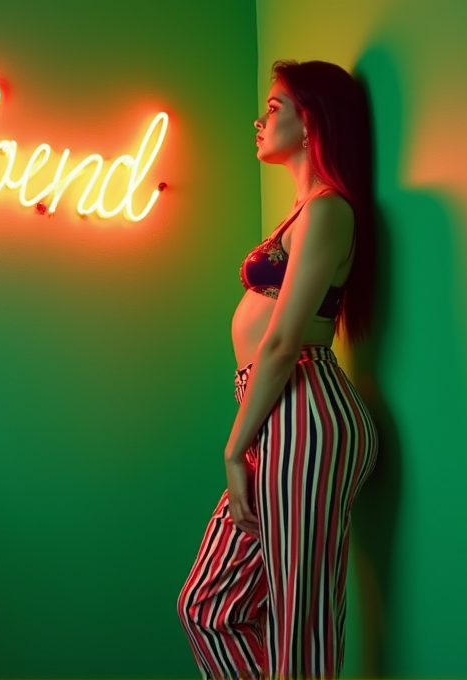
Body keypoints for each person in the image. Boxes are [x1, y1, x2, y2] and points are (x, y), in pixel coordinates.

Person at [177, 59, 379, 680]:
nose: (259, 121)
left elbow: (285, 339)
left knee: (302, 621)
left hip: (305, 413)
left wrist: (235, 448)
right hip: (276, 414)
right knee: (206, 606)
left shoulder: (328, 211)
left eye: (273, 108)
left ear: (311, 119)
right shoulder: (302, 212)